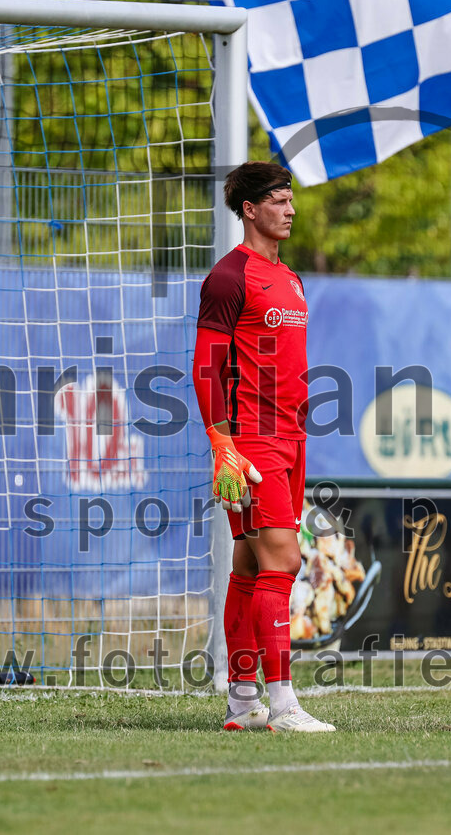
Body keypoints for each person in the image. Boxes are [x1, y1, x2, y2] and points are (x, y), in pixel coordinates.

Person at [192, 161, 334, 733]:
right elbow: (207, 365)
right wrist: (221, 441)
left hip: (290, 438)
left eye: (291, 199)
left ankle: (243, 704)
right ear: (250, 210)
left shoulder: (292, 278)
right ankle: (283, 706)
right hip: (252, 441)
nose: (290, 209)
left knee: (250, 566)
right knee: (283, 559)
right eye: (278, 200)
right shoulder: (230, 277)